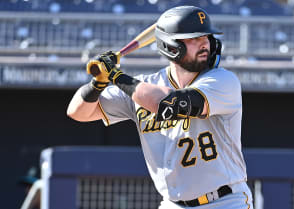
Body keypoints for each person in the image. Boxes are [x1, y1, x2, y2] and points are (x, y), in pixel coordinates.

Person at [67, 5, 253, 209]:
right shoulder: (144, 86)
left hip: (224, 201)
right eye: (193, 38)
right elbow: (77, 112)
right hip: (173, 204)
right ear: (171, 46)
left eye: (206, 37)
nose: (204, 44)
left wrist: (116, 76)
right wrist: (99, 82)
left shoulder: (223, 80)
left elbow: (169, 104)